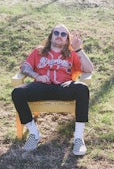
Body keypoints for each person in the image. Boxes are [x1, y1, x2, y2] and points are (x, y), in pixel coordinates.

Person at [11, 24, 94, 156]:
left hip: (63, 86)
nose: (59, 36)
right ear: (51, 36)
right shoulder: (38, 51)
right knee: (17, 92)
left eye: (63, 34)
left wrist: (78, 50)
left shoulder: (72, 54)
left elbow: (89, 69)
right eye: (56, 33)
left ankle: (78, 138)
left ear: (67, 40)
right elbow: (25, 68)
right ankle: (34, 133)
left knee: (82, 88)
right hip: (41, 86)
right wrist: (37, 76)